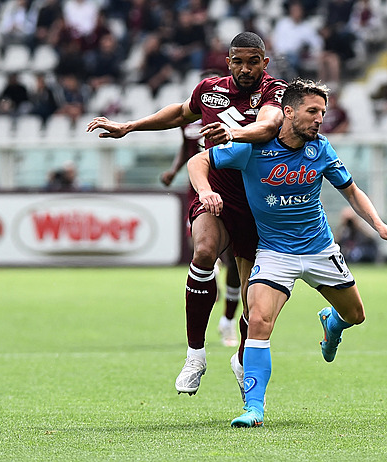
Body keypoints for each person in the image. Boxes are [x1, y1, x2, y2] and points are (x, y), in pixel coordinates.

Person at [187, 78, 387, 428]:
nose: (320, 118)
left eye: (322, 112)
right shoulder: (252, 147)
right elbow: (199, 162)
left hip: (320, 249)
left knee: (356, 315)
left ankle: (332, 323)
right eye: (312, 111)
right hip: (275, 253)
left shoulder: (321, 149)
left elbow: (351, 191)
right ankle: (253, 408)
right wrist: (204, 192)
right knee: (259, 323)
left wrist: (379, 225)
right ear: (288, 112)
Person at [87, 32, 287, 399]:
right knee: (204, 251)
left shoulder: (276, 92)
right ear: (228, 62)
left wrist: (234, 132)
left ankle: (243, 359)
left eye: (253, 61)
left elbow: (270, 125)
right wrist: (129, 126)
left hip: (261, 201)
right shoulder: (210, 89)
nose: (245, 69)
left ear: (264, 62)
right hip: (215, 190)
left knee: (253, 299)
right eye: (238, 61)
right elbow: (180, 113)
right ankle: (195, 355)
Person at [160, 109, 241, 348]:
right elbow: (186, 149)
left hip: (232, 192)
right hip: (199, 192)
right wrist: (174, 171)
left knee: (235, 262)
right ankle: (210, 272)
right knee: (199, 247)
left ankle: (228, 320)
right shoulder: (189, 124)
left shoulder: (236, 120)